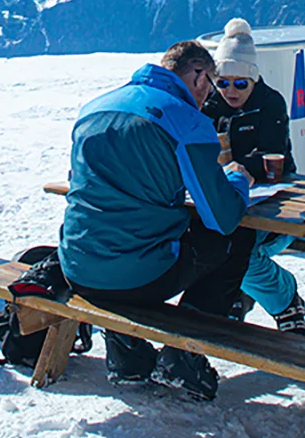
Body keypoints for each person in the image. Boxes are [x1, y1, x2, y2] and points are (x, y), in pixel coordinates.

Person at [59, 40, 255, 401]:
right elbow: (223, 217)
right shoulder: (183, 118)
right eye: (210, 86)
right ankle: (184, 354)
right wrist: (237, 179)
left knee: (120, 236)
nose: (207, 99)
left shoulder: (95, 107)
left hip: (76, 266)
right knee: (232, 240)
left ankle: (128, 357)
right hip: (136, 277)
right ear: (198, 76)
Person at [200, 18, 305, 333]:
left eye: (241, 83)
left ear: (254, 80)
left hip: (275, 201)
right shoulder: (209, 105)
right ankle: (240, 294)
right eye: (224, 82)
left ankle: (284, 299)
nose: (231, 91)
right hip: (224, 199)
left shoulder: (270, 103)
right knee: (215, 242)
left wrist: (242, 169)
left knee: (238, 247)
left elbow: (276, 155)